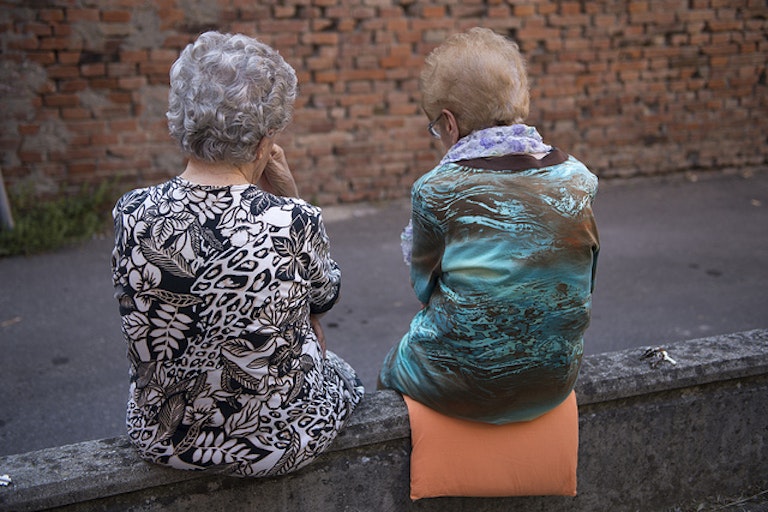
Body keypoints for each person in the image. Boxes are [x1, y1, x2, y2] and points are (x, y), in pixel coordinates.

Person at [111, 31, 363, 477]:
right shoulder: (293, 220)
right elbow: (324, 297)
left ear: (183, 120)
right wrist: (291, 198)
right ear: (265, 140)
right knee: (339, 368)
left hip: (163, 437)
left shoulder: (132, 212)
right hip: (274, 445)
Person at [379, 27, 599, 425]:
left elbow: (424, 288)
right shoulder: (578, 178)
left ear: (449, 122)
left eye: (435, 127)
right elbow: (581, 277)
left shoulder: (437, 189)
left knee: (390, 368)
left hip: (465, 385)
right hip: (555, 380)